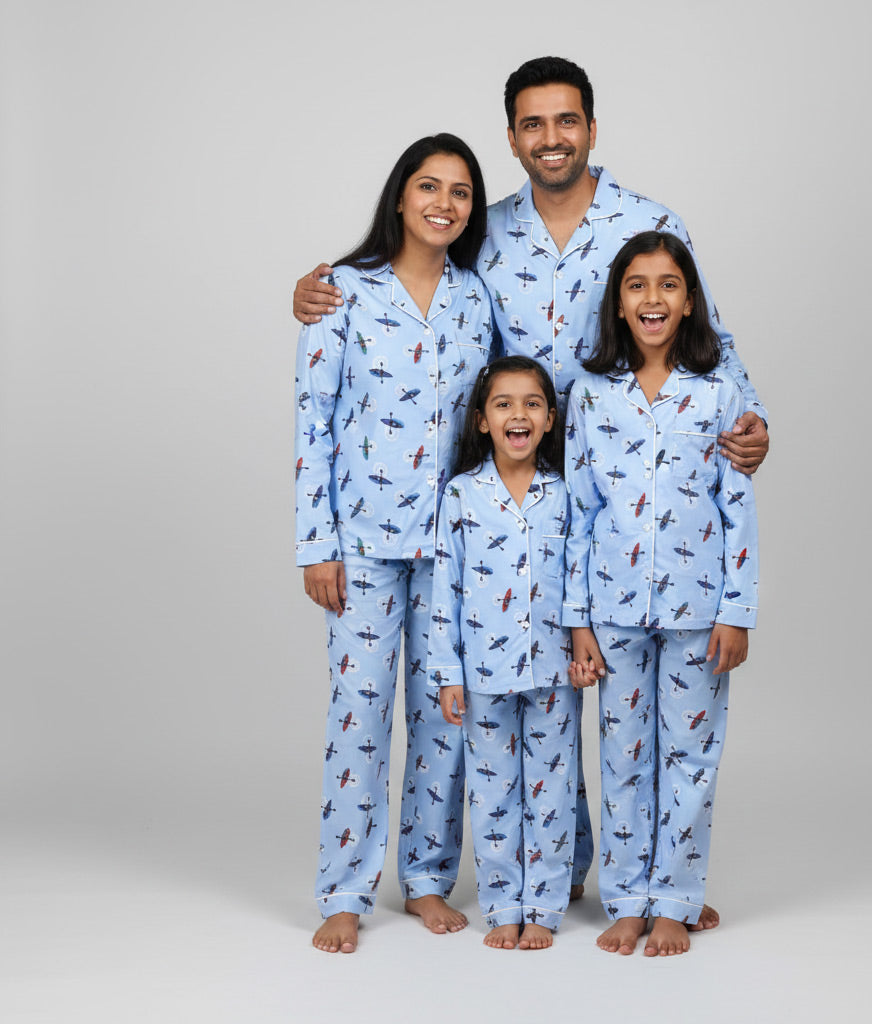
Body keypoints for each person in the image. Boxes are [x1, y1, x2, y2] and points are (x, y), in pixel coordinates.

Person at [291, 57, 769, 914]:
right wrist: (315, 288)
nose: (552, 138)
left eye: (567, 121)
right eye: (533, 124)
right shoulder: (484, 241)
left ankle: (630, 879)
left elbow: (711, 343)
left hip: (592, 500)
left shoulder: (650, 224)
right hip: (471, 505)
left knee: (567, 700)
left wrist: (751, 423)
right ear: (512, 137)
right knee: (467, 701)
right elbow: (362, 351)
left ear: (591, 125)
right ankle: (372, 888)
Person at [295, 133, 495, 953]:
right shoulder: (341, 293)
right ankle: (345, 890)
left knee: (445, 712)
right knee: (362, 711)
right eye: (428, 187)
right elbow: (313, 421)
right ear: (400, 196)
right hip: (364, 543)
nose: (444, 203)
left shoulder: (477, 300)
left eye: (460, 192)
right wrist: (316, 543)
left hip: (453, 546)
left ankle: (425, 878)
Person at [563, 231, 759, 957]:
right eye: (637, 285)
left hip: (697, 610)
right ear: (617, 303)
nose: (653, 299)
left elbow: (737, 508)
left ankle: (674, 899)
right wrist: (576, 618)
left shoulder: (718, 394)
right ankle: (628, 898)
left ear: (689, 301)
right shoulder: (590, 395)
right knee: (622, 756)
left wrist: (737, 611)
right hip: (612, 610)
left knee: (690, 757)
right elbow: (578, 511)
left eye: (668, 285)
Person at [429, 356, 595, 949]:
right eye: (503, 404)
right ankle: (503, 905)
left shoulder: (566, 495)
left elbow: (581, 574)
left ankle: (544, 909)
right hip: (482, 673)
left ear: (551, 419)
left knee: (550, 792)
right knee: (494, 792)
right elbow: (444, 589)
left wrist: (584, 641)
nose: (517, 414)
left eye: (531, 403)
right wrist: (448, 672)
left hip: (554, 670)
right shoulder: (461, 497)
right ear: (481, 421)